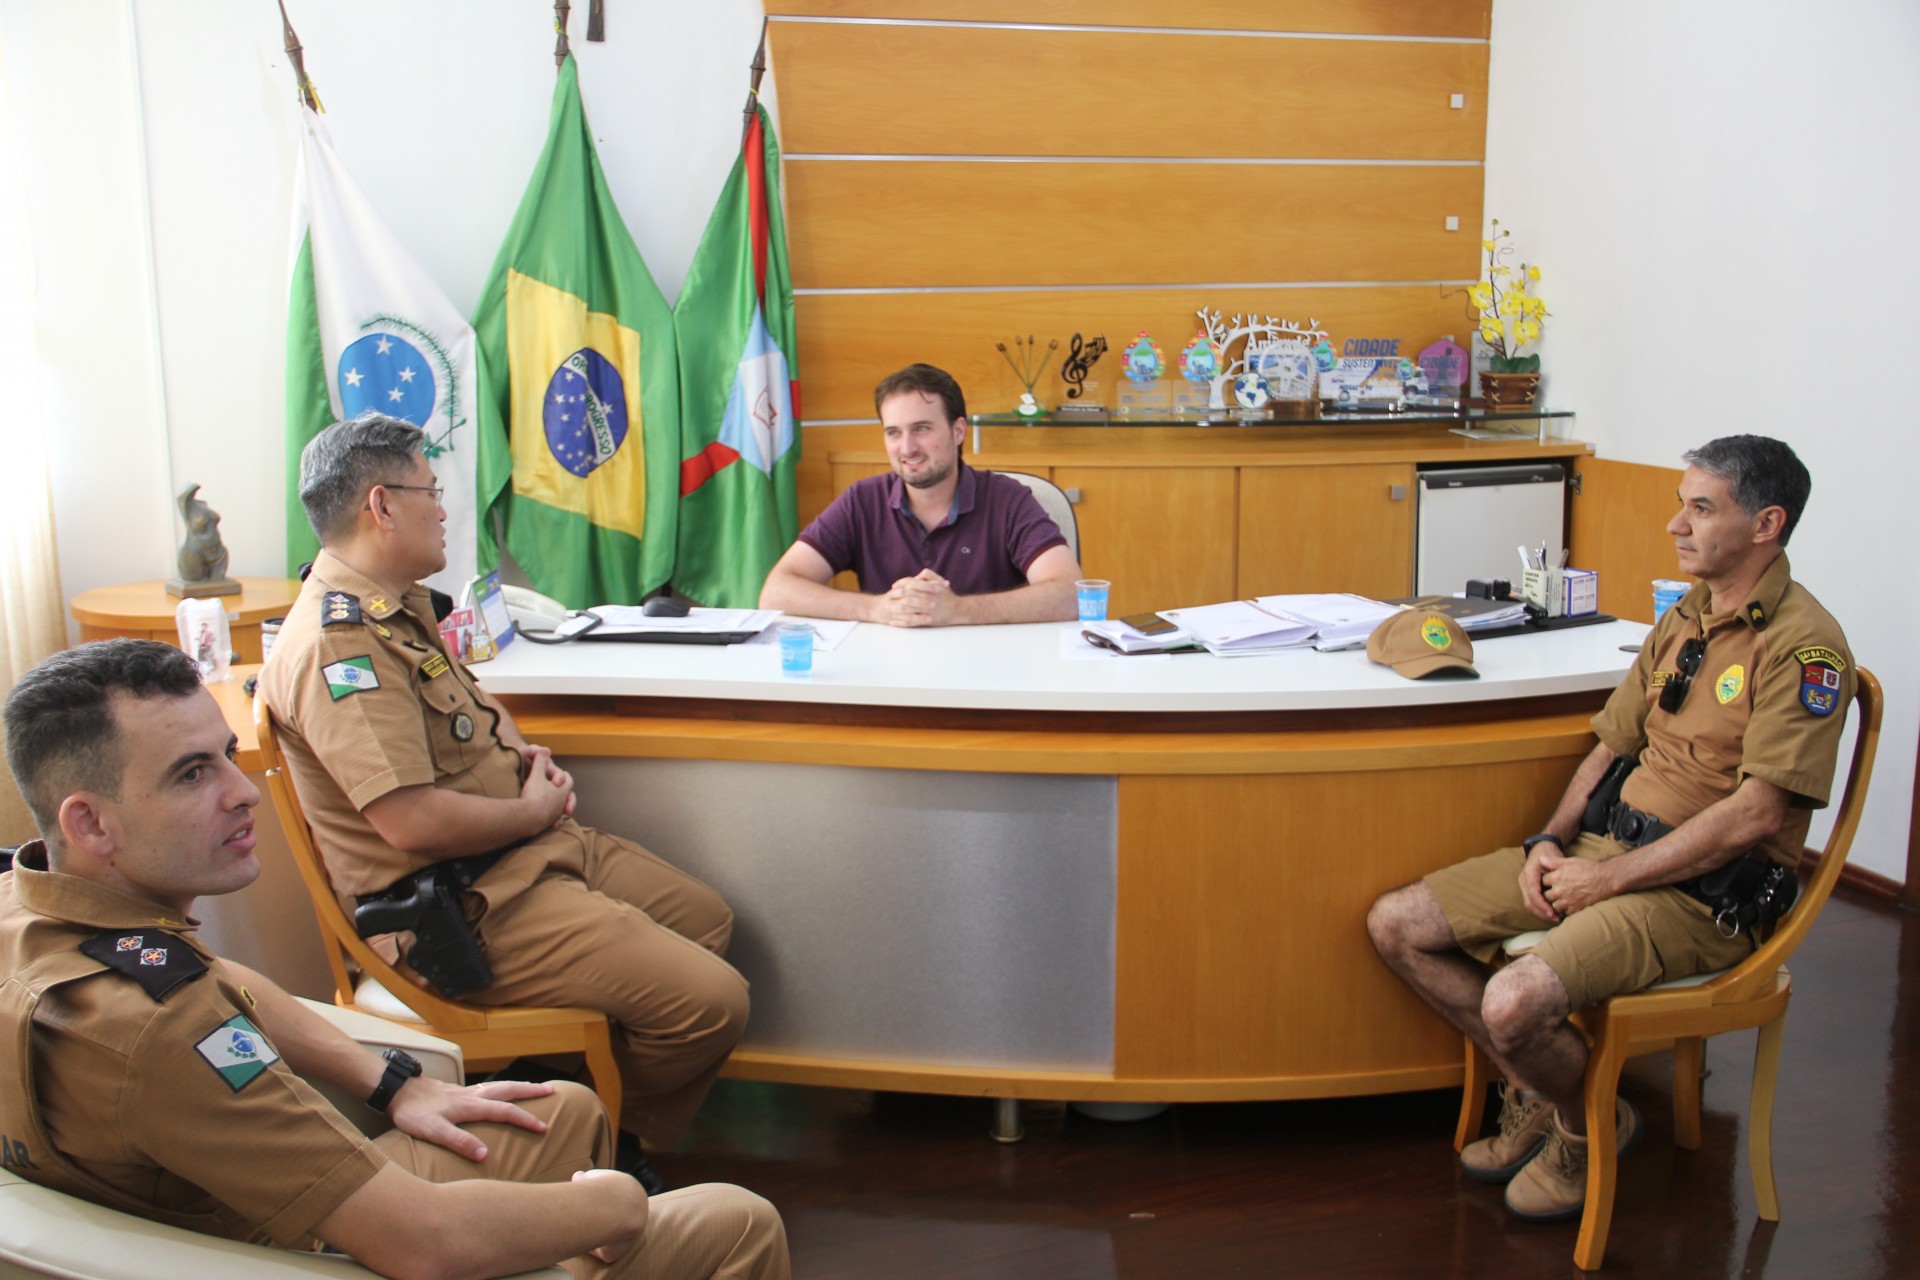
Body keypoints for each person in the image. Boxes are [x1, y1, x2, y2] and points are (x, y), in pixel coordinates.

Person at [0, 639, 788, 1280]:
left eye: (224, 756)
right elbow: (423, 1243)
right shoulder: (159, 1032)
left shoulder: (36, 904)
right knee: (737, 1218)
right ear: (91, 823)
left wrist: (394, 1085)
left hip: (254, 1195)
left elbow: (214, 976)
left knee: (566, 1111)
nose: (243, 793)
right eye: (192, 773)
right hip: (297, 1247)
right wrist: (617, 1205)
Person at [1366, 435, 1854, 1223]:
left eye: (1701, 508)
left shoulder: (1804, 645)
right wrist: (1549, 843)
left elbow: (1760, 812)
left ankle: (1581, 1128)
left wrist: (1609, 880)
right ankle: (1542, 1090)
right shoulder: (1690, 612)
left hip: (1703, 897)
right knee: (1399, 925)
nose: (1676, 525)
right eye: (1680, 503)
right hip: (1608, 851)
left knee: (1512, 1004)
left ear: (1767, 525)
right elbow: (1611, 744)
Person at [259, 413, 748, 1182]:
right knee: (713, 1003)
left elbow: (465, 714)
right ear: (380, 507)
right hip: (464, 903)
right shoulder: (338, 643)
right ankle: (602, 1147)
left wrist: (526, 761)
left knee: (710, 923)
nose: (446, 506)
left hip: (525, 850)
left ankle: (570, 1101)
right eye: (431, 489)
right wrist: (531, 809)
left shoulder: (398, 604)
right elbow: (409, 820)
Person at [758, 363, 1083, 626]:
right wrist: (876, 609)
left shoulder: (1007, 499)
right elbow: (776, 592)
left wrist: (958, 611)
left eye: (922, 429)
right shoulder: (862, 500)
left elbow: (1070, 594)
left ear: (958, 431)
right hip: (889, 682)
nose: (907, 448)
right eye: (894, 433)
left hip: (987, 681)